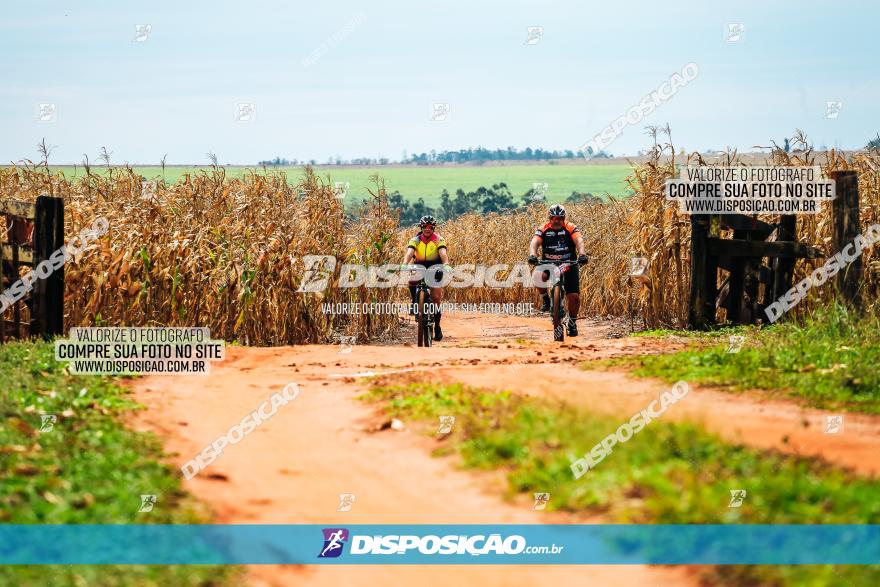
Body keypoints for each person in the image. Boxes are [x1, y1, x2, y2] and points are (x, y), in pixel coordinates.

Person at [527, 204, 588, 337]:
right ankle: (546, 300)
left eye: (560, 218)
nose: (557, 220)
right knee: (537, 276)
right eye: (554, 218)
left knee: (574, 297)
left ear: (564, 218)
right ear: (550, 218)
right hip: (548, 263)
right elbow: (535, 242)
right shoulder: (543, 228)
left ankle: (572, 322)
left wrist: (582, 254)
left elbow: (579, 240)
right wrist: (533, 255)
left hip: (569, 264)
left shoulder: (570, 227)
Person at [401, 215, 449, 341]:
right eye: (425, 227)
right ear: (421, 227)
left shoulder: (439, 239)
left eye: (430, 227)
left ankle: (437, 326)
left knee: (436, 298)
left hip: (435, 268)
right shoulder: (415, 240)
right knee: (412, 280)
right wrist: (405, 263)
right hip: (419, 266)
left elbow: (443, 253)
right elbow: (410, 253)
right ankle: (414, 301)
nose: (427, 229)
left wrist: (446, 264)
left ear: (433, 228)